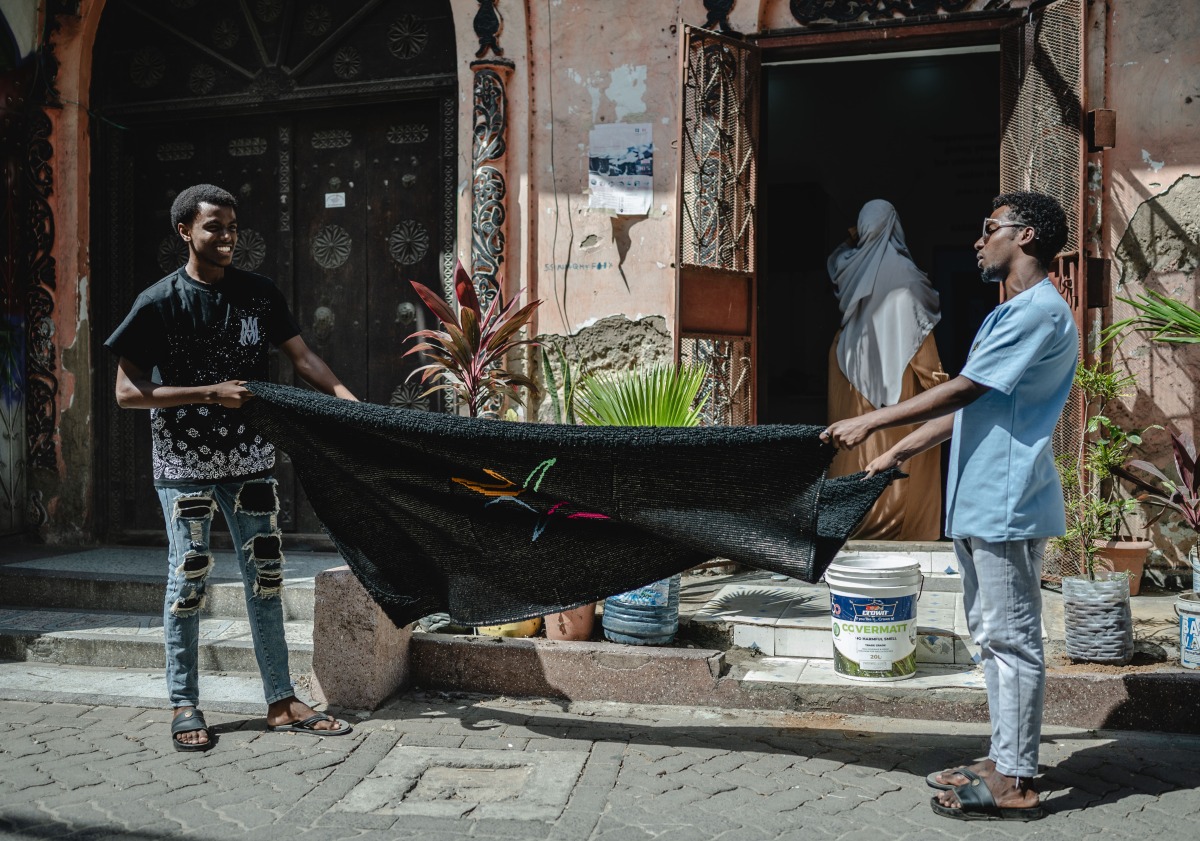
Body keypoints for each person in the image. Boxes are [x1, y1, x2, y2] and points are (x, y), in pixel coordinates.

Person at [821, 192, 1078, 822]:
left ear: (1028, 237)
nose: (978, 240)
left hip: (1005, 499)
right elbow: (973, 405)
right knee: (991, 635)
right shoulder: (1010, 313)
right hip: (980, 498)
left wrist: (875, 421)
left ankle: (1015, 779)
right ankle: (1003, 755)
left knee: (1011, 639)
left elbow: (964, 387)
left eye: (990, 229)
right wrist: (896, 449)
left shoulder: (1038, 312)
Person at [105, 184, 359, 752]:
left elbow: (303, 357)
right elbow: (126, 392)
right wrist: (208, 392)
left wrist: (348, 401)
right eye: (213, 228)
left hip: (251, 461)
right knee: (188, 580)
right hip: (183, 464)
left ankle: (280, 700)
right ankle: (184, 702)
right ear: (185, 232)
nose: (225, 238)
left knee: (265, 581)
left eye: (232, 228)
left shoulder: (258, 294)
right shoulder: (158, 302)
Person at [826, 199, 946, 540]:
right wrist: (948, 390)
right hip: (900, 385)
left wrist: (856, 237)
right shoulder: (905, 277)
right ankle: (902, 533)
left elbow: (838, 254)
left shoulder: (848, 268)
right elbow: (918, 339)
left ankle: (852, 523)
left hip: (847, 369)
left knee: (853, 454)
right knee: (903, 459)